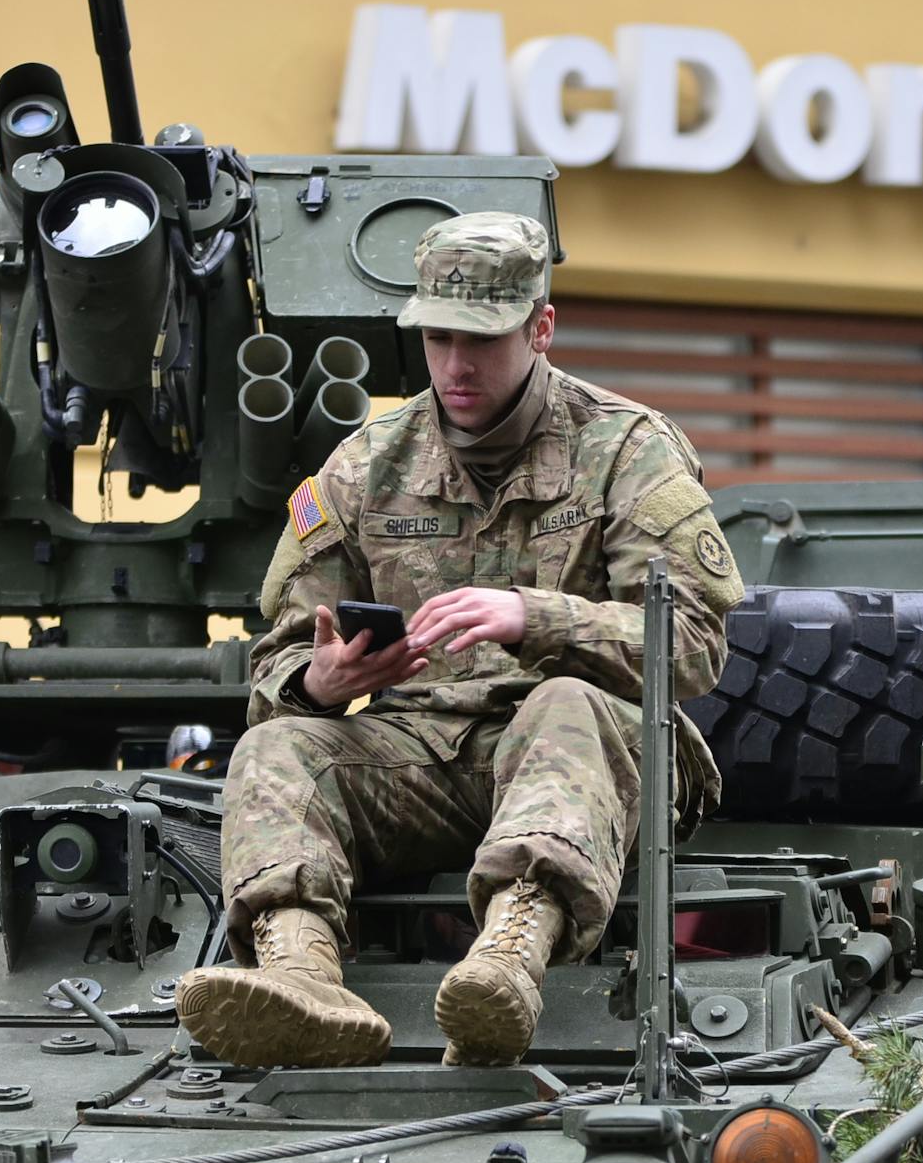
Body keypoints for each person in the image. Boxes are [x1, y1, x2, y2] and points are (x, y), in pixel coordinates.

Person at [176, 212, 744, 1067]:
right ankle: (301, 977)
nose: (456, 365)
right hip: (420, 759)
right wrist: (323, 682)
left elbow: (697, 645)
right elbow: (279, 661)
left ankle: (511, 958)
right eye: (438, 338)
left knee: (562, 702)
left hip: (595, 764)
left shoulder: (628, 449)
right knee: (277, 746)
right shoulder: (365, 467)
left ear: (540, 328)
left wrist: (539, 617)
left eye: (481, 339)